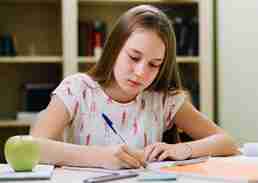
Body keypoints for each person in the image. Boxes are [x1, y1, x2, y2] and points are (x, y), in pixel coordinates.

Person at [31, 5, 238, 170]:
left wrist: (182, 149)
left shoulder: (164, 100)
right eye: (134, 57)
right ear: (115, 48)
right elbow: (33, 147)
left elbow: (227, 142)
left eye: (154, 64)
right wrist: (100, 157)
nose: (140, 72)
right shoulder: (77, 89)